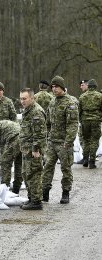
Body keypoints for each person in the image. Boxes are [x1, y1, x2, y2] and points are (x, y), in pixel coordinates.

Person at [42, 76, 79, 204]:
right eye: (52, 87)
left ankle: (65, 192)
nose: (54, 89)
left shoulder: (70, 102)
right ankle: (45, 191)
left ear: (62, 87)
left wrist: (68, 142)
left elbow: (73, 124)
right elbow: (47, 122)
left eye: (56, 86)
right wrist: (47, 137)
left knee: (66, 168)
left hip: (64, 143)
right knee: (47, 166)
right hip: (52, 141)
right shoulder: (52, 102)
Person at [19, 88, 46, 210]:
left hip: (33, 150)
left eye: (25, 98)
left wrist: (36, 149)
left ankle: (36, 201)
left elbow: (40, 134)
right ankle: (31, 198)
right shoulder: (27, 111)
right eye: (21, 98)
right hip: (26, 149)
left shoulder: (36, 112)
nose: (22, 101)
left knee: (34, 174)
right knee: (26, 174)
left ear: (32, 98)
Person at [78, 79, 102, 169]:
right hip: (96, 120)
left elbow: (79, 110)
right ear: (95, 87)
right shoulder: (100, 96)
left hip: (85, 120)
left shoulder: (82, 96)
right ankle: (92, 162)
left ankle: (85, 159)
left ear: (88, 86)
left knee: (86, 140)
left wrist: (80, 120)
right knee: (94, 140)